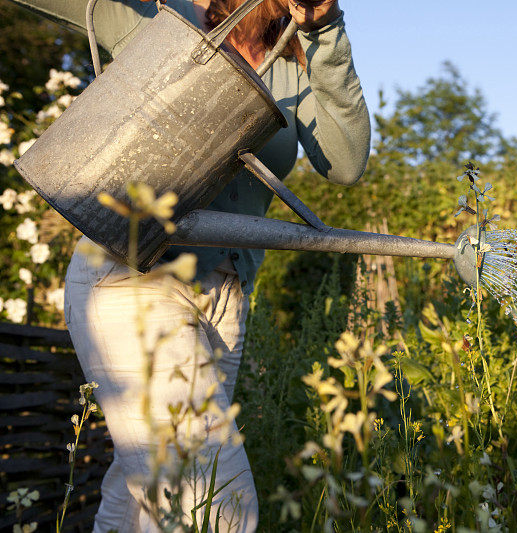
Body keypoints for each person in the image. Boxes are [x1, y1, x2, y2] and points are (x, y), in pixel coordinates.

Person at [10, 0, 370, 530]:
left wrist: (325, 28)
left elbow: (344, 160)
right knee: (215, 504)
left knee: (138, 505)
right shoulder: (161, 16)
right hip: (131, 276)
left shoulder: (294, 55)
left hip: (225, 300)